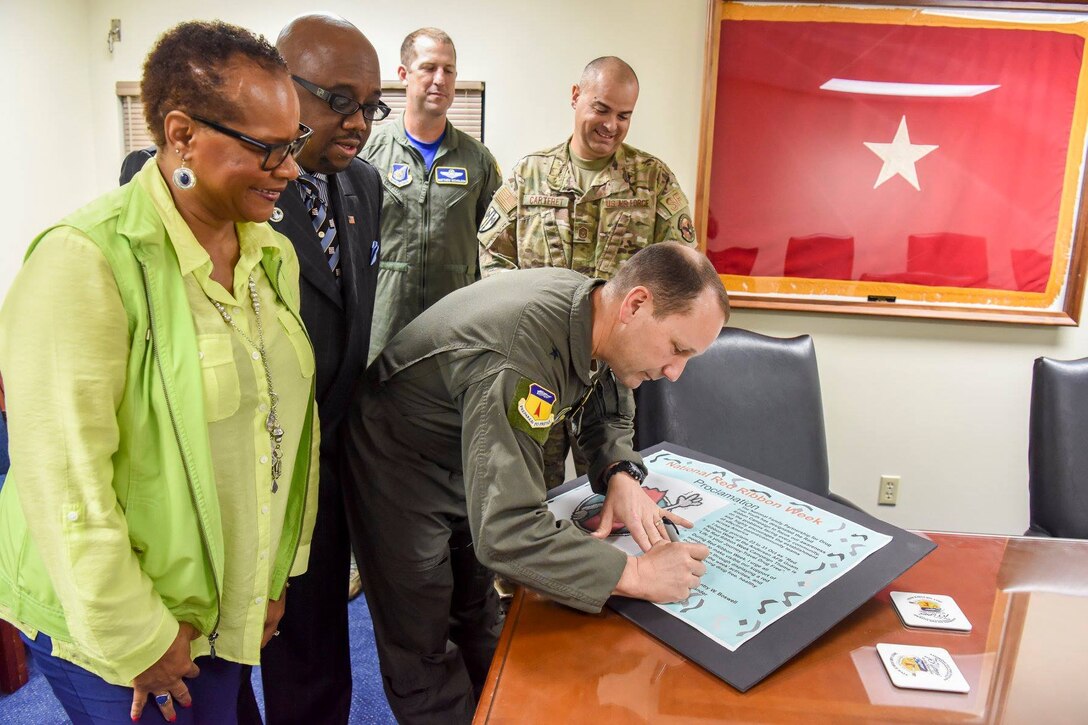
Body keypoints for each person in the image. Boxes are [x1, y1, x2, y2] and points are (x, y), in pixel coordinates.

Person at [0, 20, 318, 724]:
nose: (291, 168)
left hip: (220, 603)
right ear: (180, 134)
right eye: (268, 148)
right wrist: (138, 635)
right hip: (119, 623)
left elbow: (282, 428)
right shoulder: (83, 262)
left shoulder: (271, 254)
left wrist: (271, 576)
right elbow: (65, 483)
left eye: (293, 144)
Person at [121, 15, 386, 724]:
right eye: (339, 99)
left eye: (371, 103)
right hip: (227, 479)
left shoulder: (362, 186)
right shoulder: (196, 186)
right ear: (279, 83)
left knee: (315, 651)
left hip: (316, 477)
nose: (358, 121)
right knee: (219, 672)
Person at [344, 242, 727, 724]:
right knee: (422, 640)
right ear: (636, 304)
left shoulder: (597, 312)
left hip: (466, 451)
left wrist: (619, 473)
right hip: (397, 461)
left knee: (476, 612)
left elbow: (604, 390)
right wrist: (635, 575)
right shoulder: (518, 359)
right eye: (677, 349)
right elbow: (507, 531)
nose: (675, 373)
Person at [478, 56, 699, 488]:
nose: (611, 125)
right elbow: (491, 258)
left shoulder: (652, 181)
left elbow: (681, 271)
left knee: (608, 483)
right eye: (601, 109)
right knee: (526, 485)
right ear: (576, 97)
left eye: (624, 116)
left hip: (611, 370)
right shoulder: (530, 175)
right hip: (537, 364)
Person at [361, 27, 501, 364]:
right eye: (428, 68)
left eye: (448, 70)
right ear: (403, 75)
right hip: (383, 330)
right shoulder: (369, 155)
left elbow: (498, 248)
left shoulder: (478, 161)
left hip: (454, 331)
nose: (440, 79)